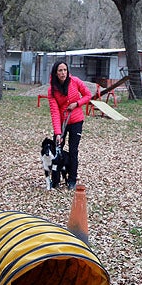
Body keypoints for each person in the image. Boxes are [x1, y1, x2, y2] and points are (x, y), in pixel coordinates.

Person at [47, 61, 91, 189]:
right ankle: (55, 179)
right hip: (62, 122)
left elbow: (88, 95)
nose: (63, 73)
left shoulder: (75, 81)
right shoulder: (52, 90)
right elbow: (54, 112)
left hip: (76, 121)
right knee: (56, 149)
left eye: (65, 70)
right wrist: (58, 133)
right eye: (60, 70)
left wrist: (77, 103)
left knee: (73, 151)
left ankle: (72, 179)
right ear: (56, 72)